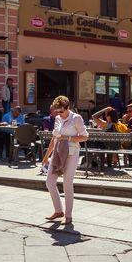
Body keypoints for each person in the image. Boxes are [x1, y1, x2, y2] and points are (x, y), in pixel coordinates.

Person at [42, 95, 88, 227]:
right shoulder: (57, 118)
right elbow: (54, 138)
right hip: (57, 152)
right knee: (50, 181)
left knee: (67, 183)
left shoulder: (76, 118)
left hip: (72, 153)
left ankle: (68, 215)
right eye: (57, 111)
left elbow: (84, 137)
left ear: (68, 108)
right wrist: (46, 156)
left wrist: (67, 138)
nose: (59, 114)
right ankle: (58, 210)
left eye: (61, 111)